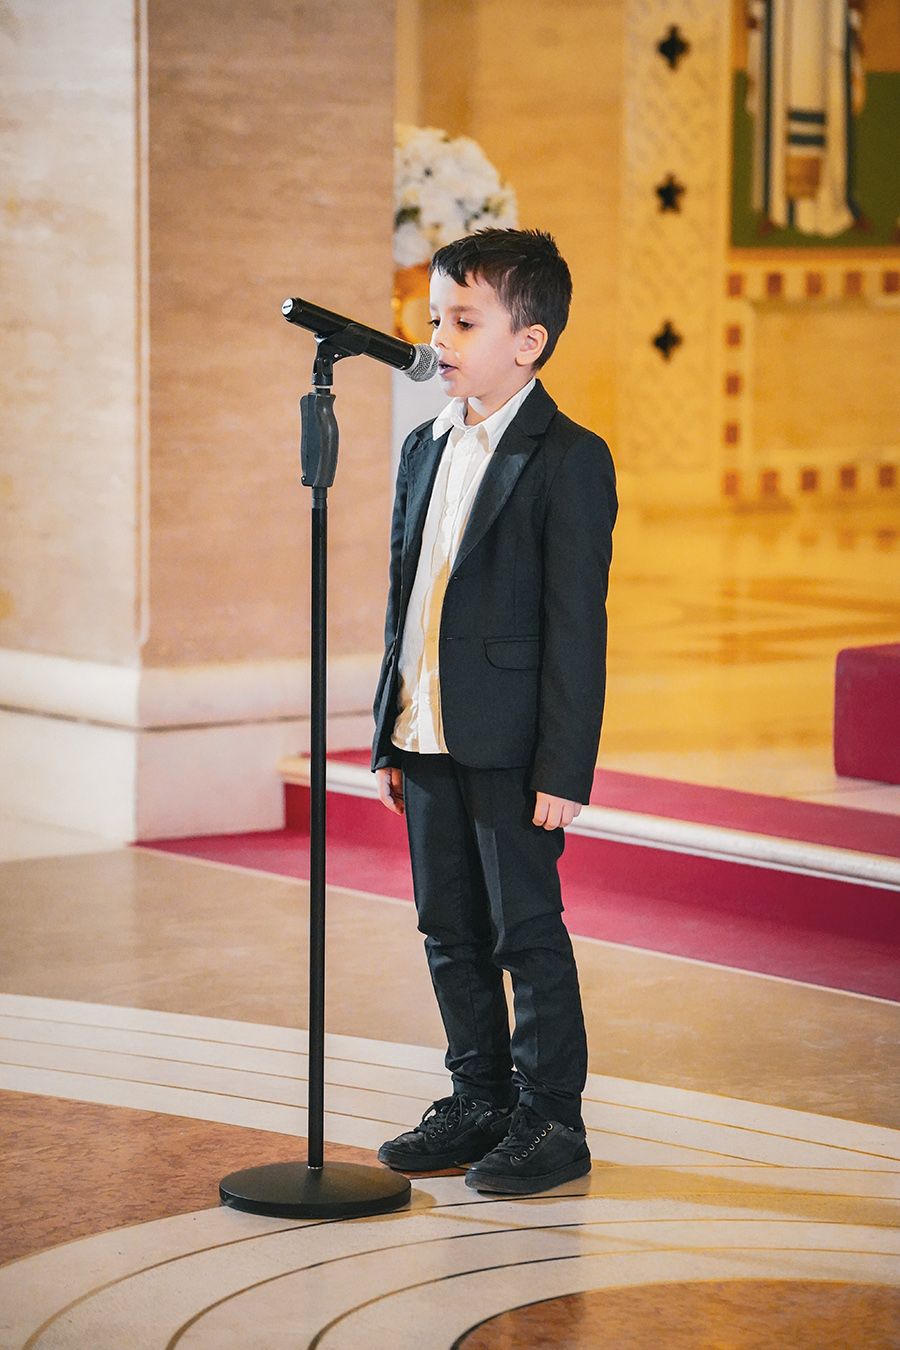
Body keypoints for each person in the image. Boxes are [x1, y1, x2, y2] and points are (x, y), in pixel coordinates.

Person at [371, 228, 617, 1195]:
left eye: (464, 321)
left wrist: (564, 767)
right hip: (426, 729)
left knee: (524, 932)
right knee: (447, 926)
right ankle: (478, 1096)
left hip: (512, 746)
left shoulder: (570, 458)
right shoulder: (422, 446)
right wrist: (388, 730)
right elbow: (405, 599)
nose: (438, 338)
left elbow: (576, 627)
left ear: (529, 341)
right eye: (436, 318)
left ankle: (552, 1118)